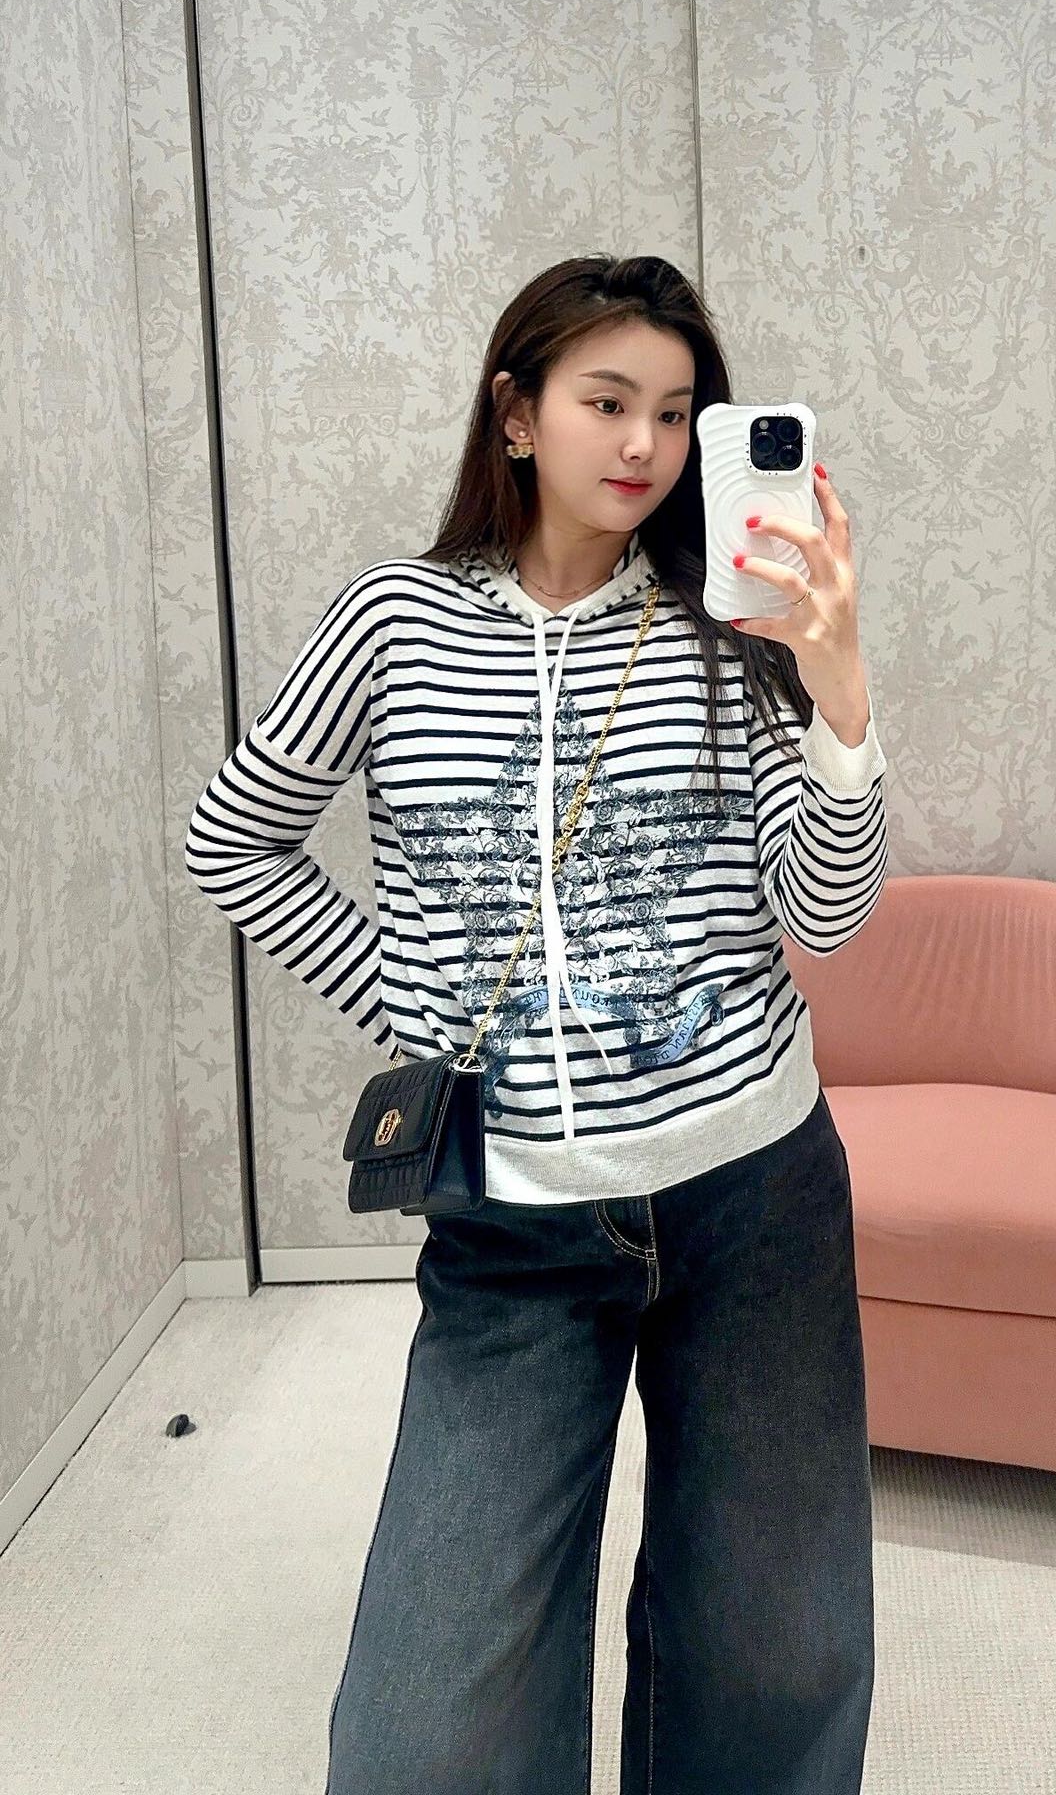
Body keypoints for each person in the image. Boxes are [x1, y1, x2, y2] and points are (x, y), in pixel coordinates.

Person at [184, 253, 889, 1794]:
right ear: (517, 415)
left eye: (676, 412)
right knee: (428, 1726)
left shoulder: (732, 625)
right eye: (607, 401)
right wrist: (418, 1001)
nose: (644, 443)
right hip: (514, 1224)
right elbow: (233, 840)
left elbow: (823, 915)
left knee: (776, 1648)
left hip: (755, 1195)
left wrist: (839, 696)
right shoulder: (393, 621)